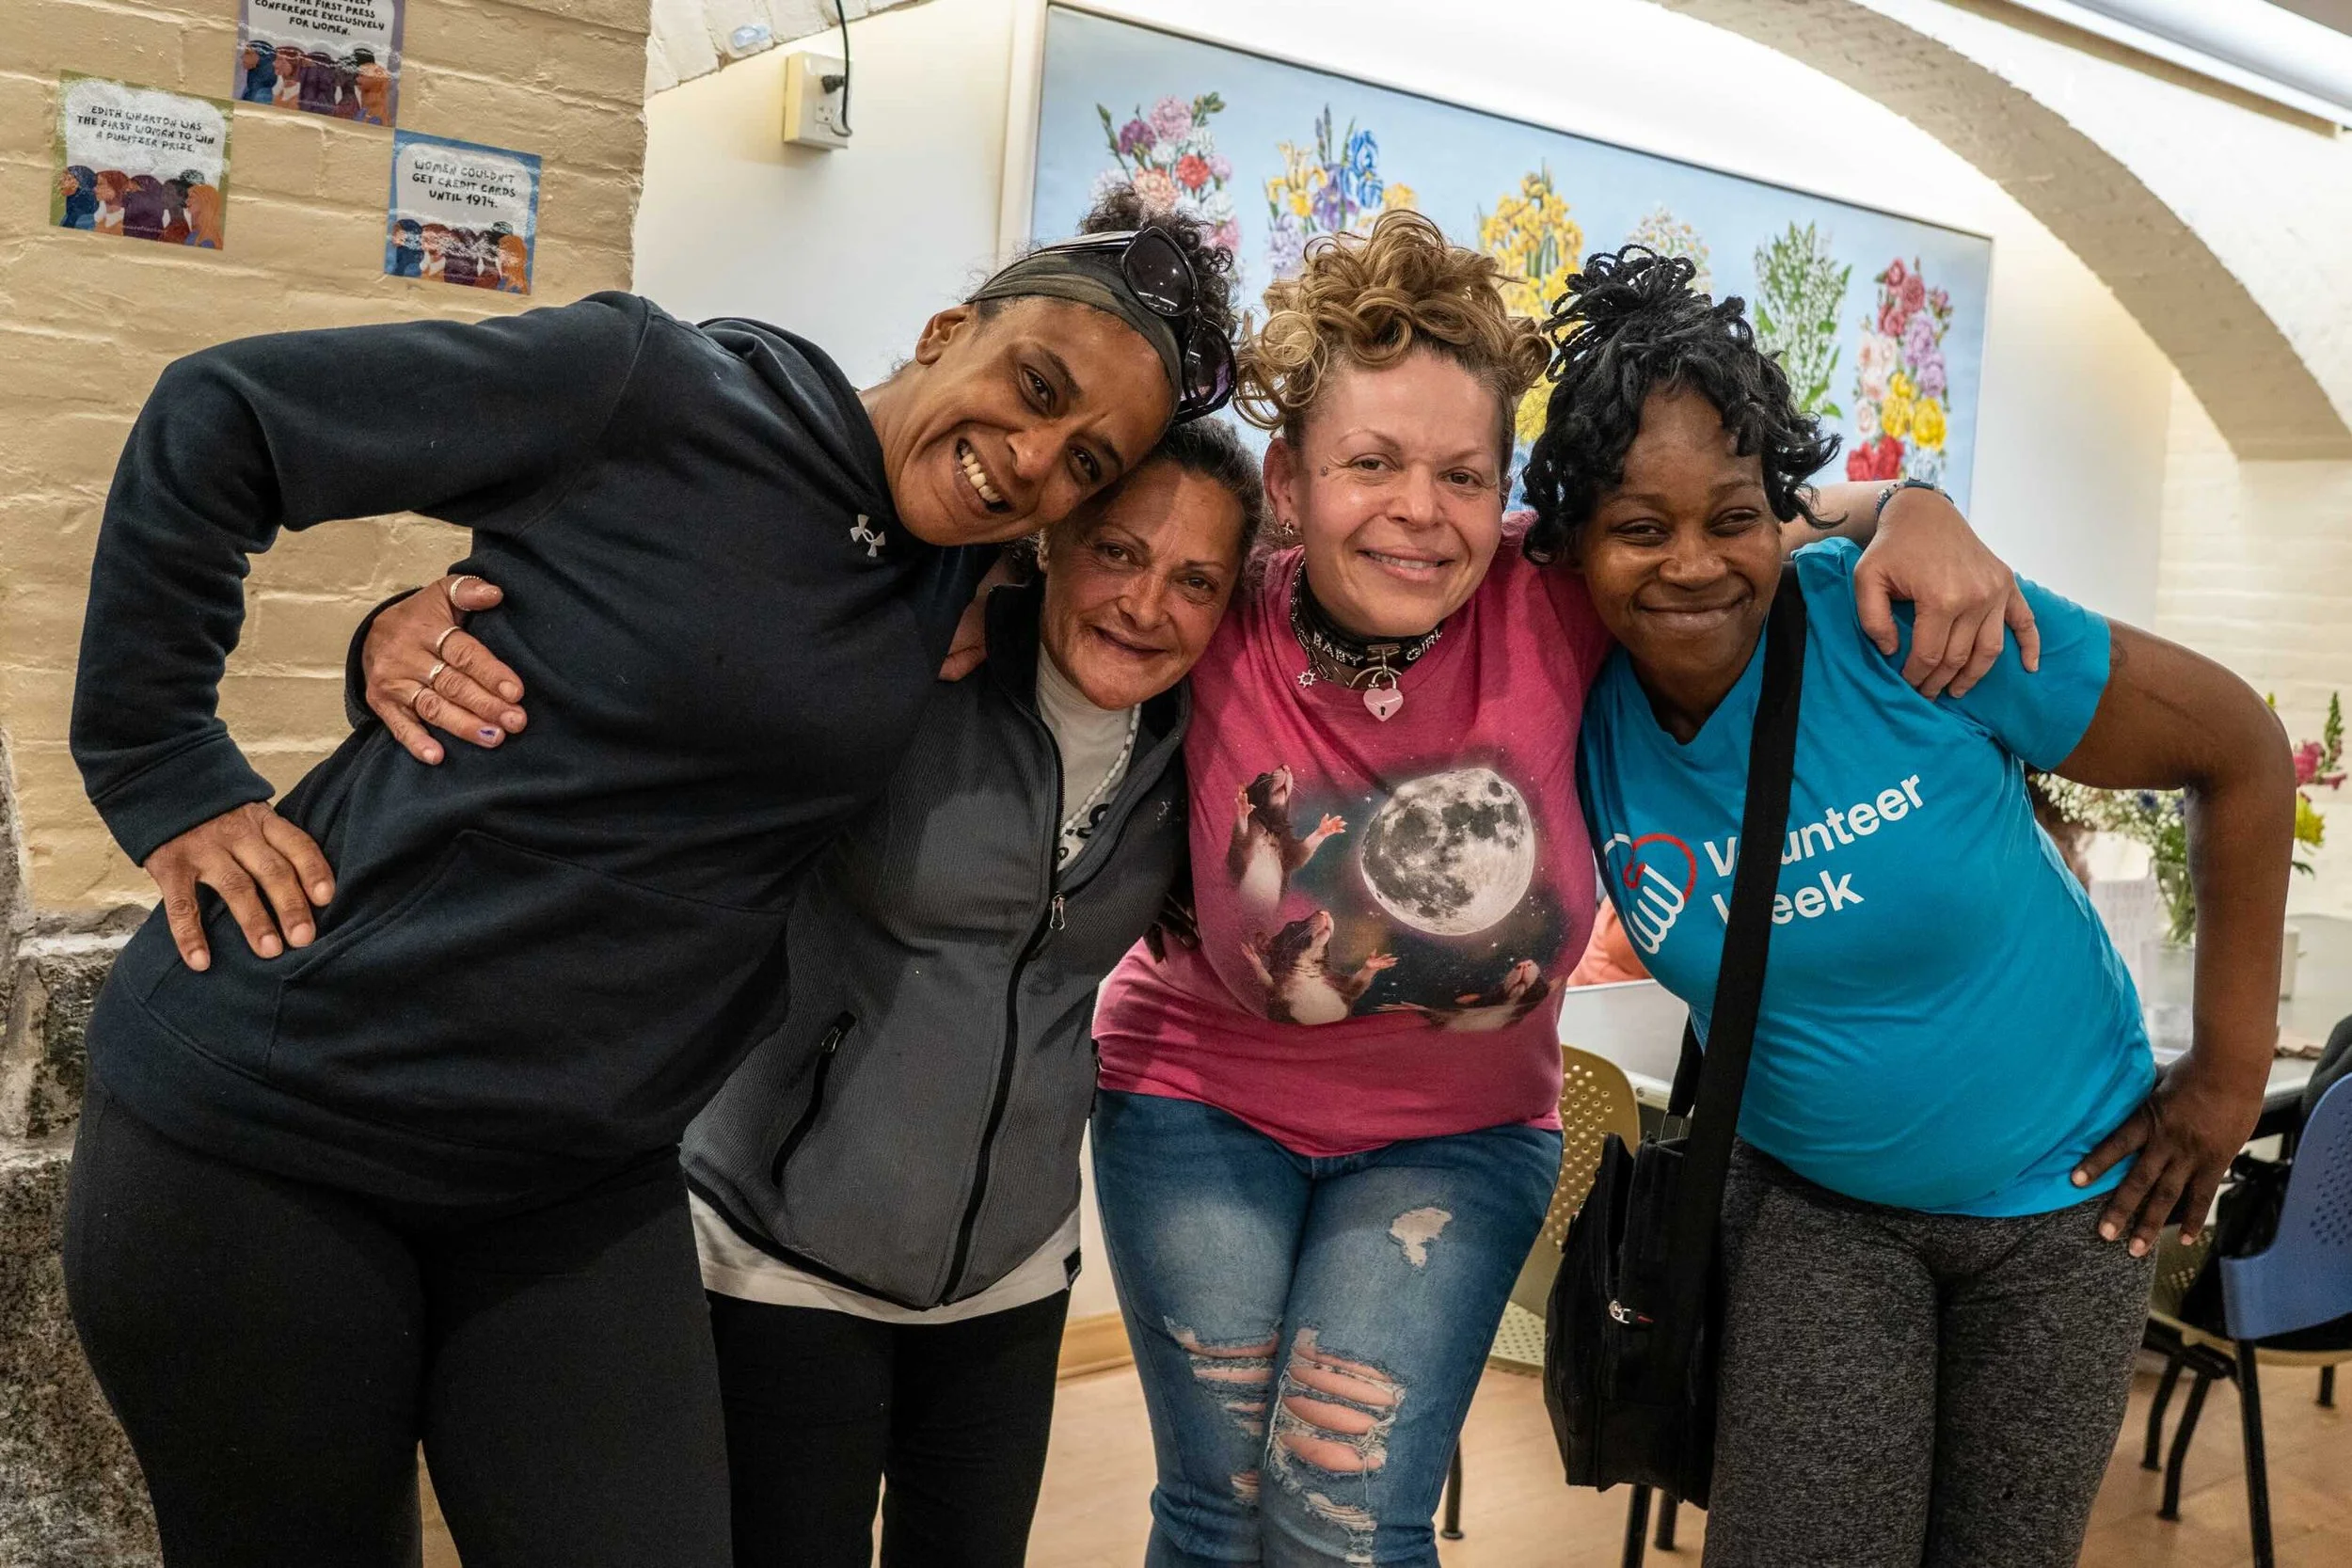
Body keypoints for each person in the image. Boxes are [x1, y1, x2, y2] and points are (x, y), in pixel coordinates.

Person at [61, 189, 1236, 1568]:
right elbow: (225, 418)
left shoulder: (949, 577)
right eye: (1032, 389)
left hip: (574, 1173)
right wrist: (166, 765)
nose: (1031, 455)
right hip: (279, 1124)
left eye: (1082, 461)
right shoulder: (650, 386)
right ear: (945, 329)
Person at [1084, 212, 2032, 1567]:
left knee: (1337, 1514)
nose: (1422, 509)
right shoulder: (1215, 604)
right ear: (1289, 477)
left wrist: (1915, 504)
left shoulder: (1554, 592)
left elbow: (1752, 518)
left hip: (1458, 1139)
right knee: (1218, 1504)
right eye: (1373, 463)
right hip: (1194, 1102)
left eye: (1463, 474)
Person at [363, 420, 1267, 1568]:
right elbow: (671, 650)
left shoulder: (1200, 744)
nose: (1147, 605)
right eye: (1119, 553)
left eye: (1195, 580)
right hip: (784, 1254)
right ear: (1049, 541)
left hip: (1014, 1267)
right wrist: (399, 629)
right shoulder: (906, 672)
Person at [1538, 246, 2294, 1567]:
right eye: (1638, 528)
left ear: (1779, 511)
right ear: (1575, 544)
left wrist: (2230, 1076)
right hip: (1817, 1209)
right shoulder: (1572, 688)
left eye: (1733, 516)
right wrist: (1905, 491)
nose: (1694, 565)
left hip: (2070, 1204)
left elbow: (2237, 743)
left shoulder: (1905, 623)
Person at [57, 165, 97, 230]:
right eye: (63, 177)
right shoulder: (68, 216)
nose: (61, 181)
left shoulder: (85, 223)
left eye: (68, 179)